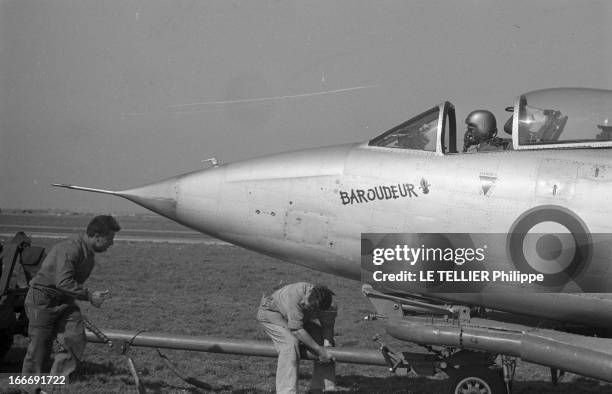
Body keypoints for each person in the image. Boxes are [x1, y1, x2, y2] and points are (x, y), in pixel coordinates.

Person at [21, 215, 120, 381]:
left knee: (75, 336)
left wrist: (85, 296)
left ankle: (57, 382)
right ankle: (29, 386)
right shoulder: (71, 249)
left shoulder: (88, 256)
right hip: (43, 300)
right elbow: (63, 282)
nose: (112, 243)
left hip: (64, 302)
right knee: (39, 348)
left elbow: (69, 285)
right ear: (97, 237)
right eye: (110, 238)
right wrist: (89, 296)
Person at [257, 282, 338, 394]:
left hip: (297, 318)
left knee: (324, 344)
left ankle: (322, 389)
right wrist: (320, 351)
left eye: (306, 305)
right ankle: (286, 391)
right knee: (290, 343)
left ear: (319, 310)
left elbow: (327, 329)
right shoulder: (295, 294)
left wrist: (326, 347)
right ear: (309, 292)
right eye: (305, 301)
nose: (302, 302)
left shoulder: (330, 308)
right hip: (272, 314)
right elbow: (296, 330)